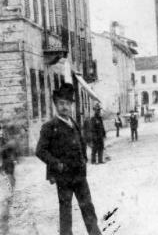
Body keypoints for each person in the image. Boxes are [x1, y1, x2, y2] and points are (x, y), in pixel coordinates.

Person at [36, 83, 102, 235]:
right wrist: (57, 165)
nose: (64, 107)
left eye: (67, 103)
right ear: (55, 105)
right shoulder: (49, 126)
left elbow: (81, 142)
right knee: (65, 210)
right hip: (64, 176)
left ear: (71, 105)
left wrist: (84, 159)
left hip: (79, 174)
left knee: (87, 206)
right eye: (61, 103)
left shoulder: (74, 123)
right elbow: (40, 151)